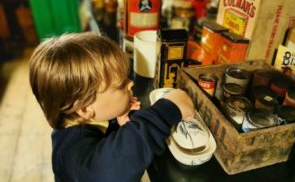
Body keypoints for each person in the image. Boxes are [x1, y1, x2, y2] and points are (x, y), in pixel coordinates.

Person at [29, 32, 195, 182]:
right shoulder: (72, 155)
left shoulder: (81, 121)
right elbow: (112, 169)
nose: (131, 83)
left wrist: (117, 125)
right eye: (121, 85)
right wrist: (168, 109)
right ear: (85, 108)